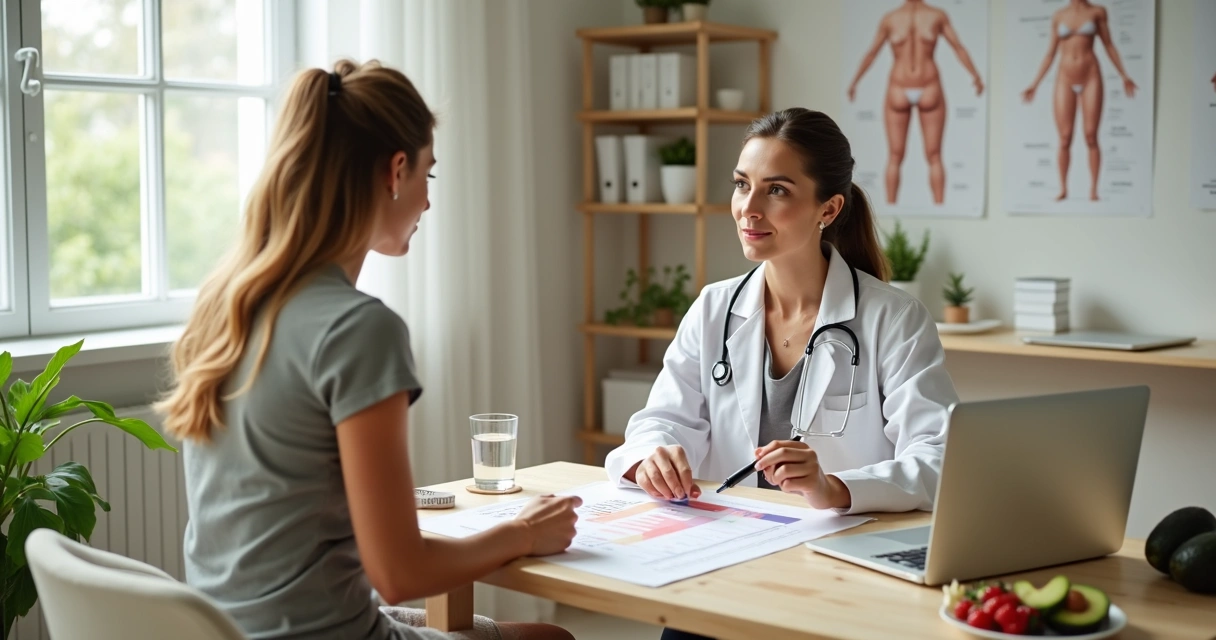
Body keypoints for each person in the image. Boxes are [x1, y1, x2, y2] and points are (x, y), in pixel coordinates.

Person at [157, 60, 579, 640]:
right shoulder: (358, 329)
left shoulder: (227, 304)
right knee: (552, 639)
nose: (428, 202)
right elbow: (398, 573)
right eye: (429, 175)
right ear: (396, 171)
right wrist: (524, 535)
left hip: (227, 628)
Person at [605, 108, 958, 639]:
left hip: (835, 573)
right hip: (720, 564)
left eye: (777, 190)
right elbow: (660, 420)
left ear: (829, 208)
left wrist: (832, 485)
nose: (749, 208)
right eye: (742, 185)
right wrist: (652, 456)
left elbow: (939, 460)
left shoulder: (893, 318)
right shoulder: (714, 308)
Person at [847, 0, 984, 205]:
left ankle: (932, 206)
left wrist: (855, 82)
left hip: (906, 85)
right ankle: (902, 208)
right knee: (919, 156)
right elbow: (958, 47)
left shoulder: (895, 18)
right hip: (923, 84)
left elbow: (871, 53)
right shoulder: (932, 15)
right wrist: (975, 76)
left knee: (909, 156)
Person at [1021, 0, 1137, 202]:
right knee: (1065, 137)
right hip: (1064, 77)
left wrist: (1124, 75)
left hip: (1090, 74)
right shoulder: (1059, 15)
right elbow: (1050, 53)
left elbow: (1109, 44)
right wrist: (1035, 83)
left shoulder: (1097, 12)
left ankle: (1093, 189)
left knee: (1091, 135)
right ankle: (1063, 188)